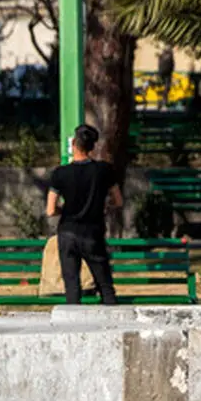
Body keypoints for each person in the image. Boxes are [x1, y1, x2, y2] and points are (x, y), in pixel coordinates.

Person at [45, 124, 123, 305]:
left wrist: (64, 210)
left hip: (67, 233)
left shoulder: (60, 173)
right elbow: (118, 201)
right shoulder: (104, 170)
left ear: (73, 144)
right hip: (93, 233)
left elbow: (50, 210)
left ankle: (73, 328)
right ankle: (112, 324)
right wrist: (103, 205)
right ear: (93, 147)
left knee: (72, 286)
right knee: (104, 285)